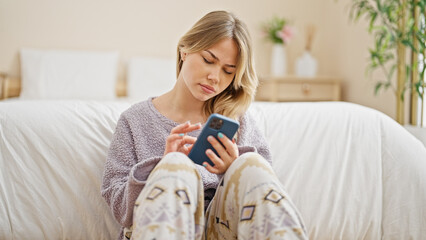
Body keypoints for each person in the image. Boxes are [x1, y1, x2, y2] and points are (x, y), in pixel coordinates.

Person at [101, 10, 308, 240]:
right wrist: (162, 168)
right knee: (175, 164)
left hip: (224, 230)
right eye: (209, 60)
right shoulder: (134, 120)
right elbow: (120, 210)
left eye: (228, 71)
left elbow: (264, 193)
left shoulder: (238, 120)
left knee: (250, 164)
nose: (215, 77)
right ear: (185, 50)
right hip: (162, 227)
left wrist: (232, 167)